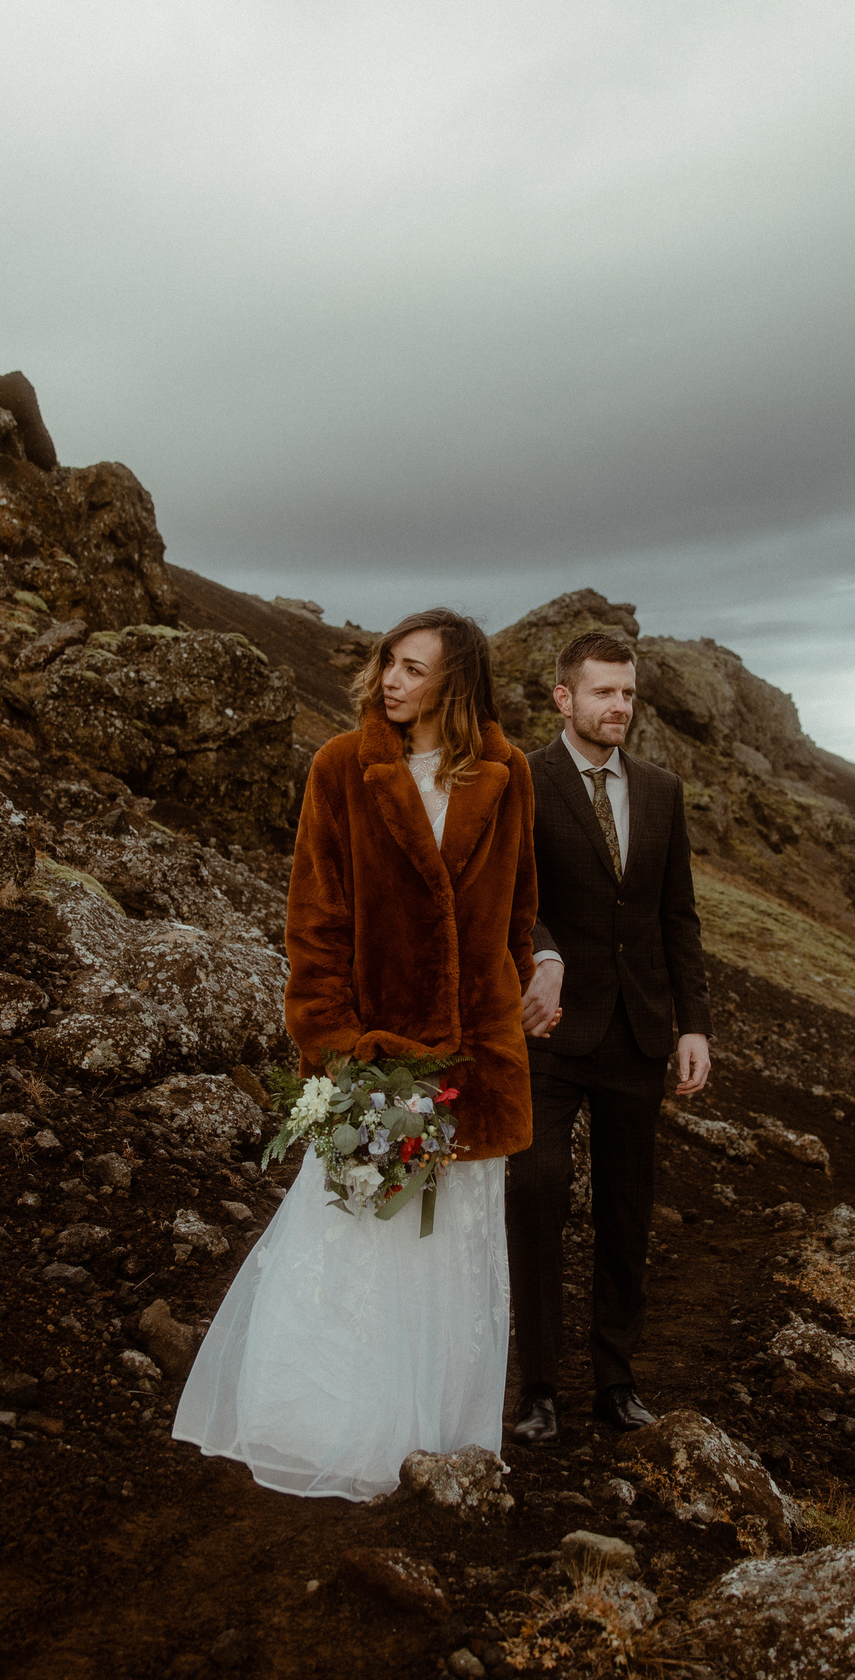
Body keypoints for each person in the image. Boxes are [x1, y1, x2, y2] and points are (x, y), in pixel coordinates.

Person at [172, 609, 539, 1499]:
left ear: (456, 685)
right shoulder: (341, 766)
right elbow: (315, 922)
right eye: (389, 663)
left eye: (414, 669)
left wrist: (500, 1013)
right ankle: (326, 1424)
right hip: (373, 1057)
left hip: (475, 1060)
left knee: (452, 1255)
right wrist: (337, 1050)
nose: (392, 681)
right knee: (355, 1242)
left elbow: (519, 913)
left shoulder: (510, 773)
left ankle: (434, 1433)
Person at [507, 628, 711, 1445]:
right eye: (603, 691)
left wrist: (693, 1024)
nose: (620, 705)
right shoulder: (522, 780)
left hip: (638, 1030)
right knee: (536, 1192)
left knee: (626, 1209)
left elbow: (677, 916)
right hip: (550, 1027)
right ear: (564, 697)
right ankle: (538, 1388)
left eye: (628, 692)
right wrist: (542, 956)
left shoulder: (662, 789)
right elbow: (510, 898)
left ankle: (616, 1381)